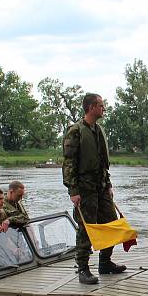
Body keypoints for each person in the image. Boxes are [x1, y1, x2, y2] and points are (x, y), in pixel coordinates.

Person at [62, 93, 127, 284]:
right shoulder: (75, 131)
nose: (103, 108)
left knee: (111, 223)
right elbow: (68, 163)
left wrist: (108, 186)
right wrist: (73, 190)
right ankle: (83, 269)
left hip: (101, 187)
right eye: (101, 105)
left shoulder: (98, 130)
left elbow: (102, 162)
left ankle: (105, 263)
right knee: (86, 228)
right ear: (91, 107)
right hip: (84, 188)